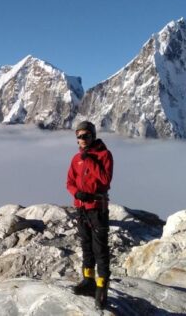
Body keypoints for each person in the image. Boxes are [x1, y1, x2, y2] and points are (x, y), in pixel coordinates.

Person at [66, 120, 114, 310]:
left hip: (97, 207)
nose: (82, 139)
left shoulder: (104, 155)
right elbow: (69, 181)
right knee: (86, 245)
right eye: (79, 136)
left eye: (86, 136)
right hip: (81, 207)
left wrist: (90, 160)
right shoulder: (75, 159)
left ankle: (102, 289)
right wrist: (76, 193)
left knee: (100, 249)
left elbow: (105, 179)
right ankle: (88, 281)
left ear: (93, 136)